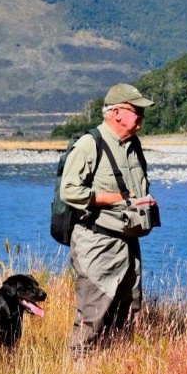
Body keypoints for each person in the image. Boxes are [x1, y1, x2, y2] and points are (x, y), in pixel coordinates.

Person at [60, 83, 159, 358]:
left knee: (126, 318)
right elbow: (69, 191)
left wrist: (146, 203)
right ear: (116, 112)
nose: (141, 115)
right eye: (136, 110)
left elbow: (136, 189)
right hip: (97, 246)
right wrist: (115, 199)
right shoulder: (89, 145)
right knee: (92, 319)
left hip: (129, 246)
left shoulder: (133, 146)